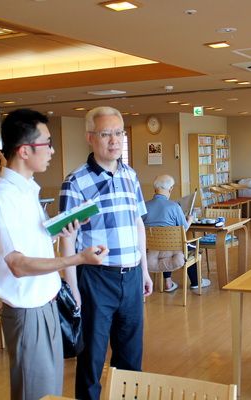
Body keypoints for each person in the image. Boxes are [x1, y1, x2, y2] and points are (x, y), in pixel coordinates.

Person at [0, 108, 108, 400]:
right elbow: (18, 264)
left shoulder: (26, 191)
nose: (52, 150)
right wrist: (78, 258)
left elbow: (31, 242)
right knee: (35, 392)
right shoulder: (3, 198)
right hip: (28, 311)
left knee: (50, 390)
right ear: (24, 150)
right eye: (47, 143)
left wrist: (61, 230)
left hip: (47, 303)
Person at [59, 106, 153, 400]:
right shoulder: (75, 182)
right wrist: (73, 288)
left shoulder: (130, 175)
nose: (114, 140)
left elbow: (137, 223)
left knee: (131, 356)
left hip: (131, 275)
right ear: (90, 137)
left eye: (118, 133)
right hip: (95, 278)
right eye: (105, 134)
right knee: (91, 357)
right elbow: (67, 239)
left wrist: (145, 270)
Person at [142, 174, 211, 292]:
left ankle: (168, 282)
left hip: (151, 250)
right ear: (170, 189)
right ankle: (196, 282)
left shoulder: (144, 206)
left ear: (155, 189)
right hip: (171, 250)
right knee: (192, 248)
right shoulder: (174, 206)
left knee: (163, 243)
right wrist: (189, 220)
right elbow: (184, 229)